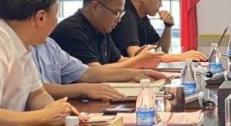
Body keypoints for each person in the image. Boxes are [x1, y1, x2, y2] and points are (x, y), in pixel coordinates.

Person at [31, 37, 166, 102]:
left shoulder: (49, 44)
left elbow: (86, 73)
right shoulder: (73, 31)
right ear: (41, 17)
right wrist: (84, 89)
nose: (119, 20)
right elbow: (34, 89)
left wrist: (134, 73)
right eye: (55, 14)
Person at [110, 0, 206, 61]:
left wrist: (168, 26)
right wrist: (181, 57)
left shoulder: (142, 16)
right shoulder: (127, 16)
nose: (161, 4)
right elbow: (137, 56)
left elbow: (162, 49)